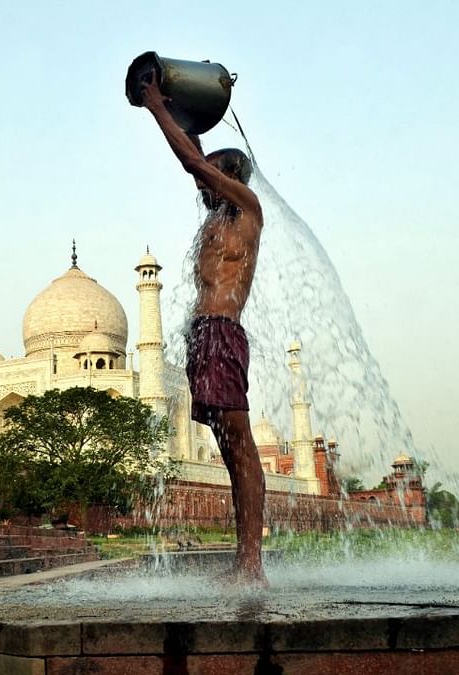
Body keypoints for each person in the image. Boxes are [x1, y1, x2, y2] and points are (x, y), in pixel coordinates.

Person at [138, 71, 268, 586]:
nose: (199, 179)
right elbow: (194, 155)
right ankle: (244, 560)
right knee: (227, 444)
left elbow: (193, 161)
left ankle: (251, 564)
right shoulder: (216, 219)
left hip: (221, 331)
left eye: (212, 173)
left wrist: (152, 106)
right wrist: (184, 99)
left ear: (229, 174)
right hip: (201, 338)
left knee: (241, 444)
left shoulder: (246, 210)